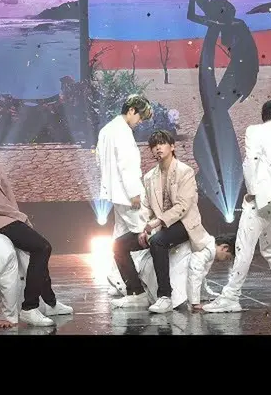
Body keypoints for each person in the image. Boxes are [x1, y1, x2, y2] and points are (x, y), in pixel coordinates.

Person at [0, 108, 73, 326]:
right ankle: (29, 307)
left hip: (2, 215)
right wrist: (17, 215)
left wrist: (16, 214)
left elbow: (4, 189)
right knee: (42, 247)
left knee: (36, 250)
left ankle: (50, 302)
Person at [111, 129, 229, 312]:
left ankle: (165, 296)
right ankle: (136, 293)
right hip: (158, 226)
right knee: (119, 245)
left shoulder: (185, 171)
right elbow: (146, 207)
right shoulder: (149, 177)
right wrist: (144, 228)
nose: (158, 148)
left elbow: (183, 206)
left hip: (184, 224)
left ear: (172, 146)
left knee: (157, 242)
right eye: (154, 146)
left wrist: (156, 223)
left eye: (162, 143)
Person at [203, 100, 271, 312]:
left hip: (259, 201)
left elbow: (251, 162)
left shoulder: (254, 131)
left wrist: (253, 192)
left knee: (244, 249)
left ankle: (231, 297)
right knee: (270, 247)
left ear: (263, 115)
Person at [96, 94, 153, 295]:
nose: (140, 122)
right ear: (131, 110)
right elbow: (127, 165)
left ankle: (118, 278)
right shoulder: (122, 132)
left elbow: (99, 160)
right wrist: (134, 192)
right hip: (128, 195)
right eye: (140, 117)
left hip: (115, 193)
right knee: (140, 234)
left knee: (120, 237)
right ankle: (136, 282)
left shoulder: (107, 129)